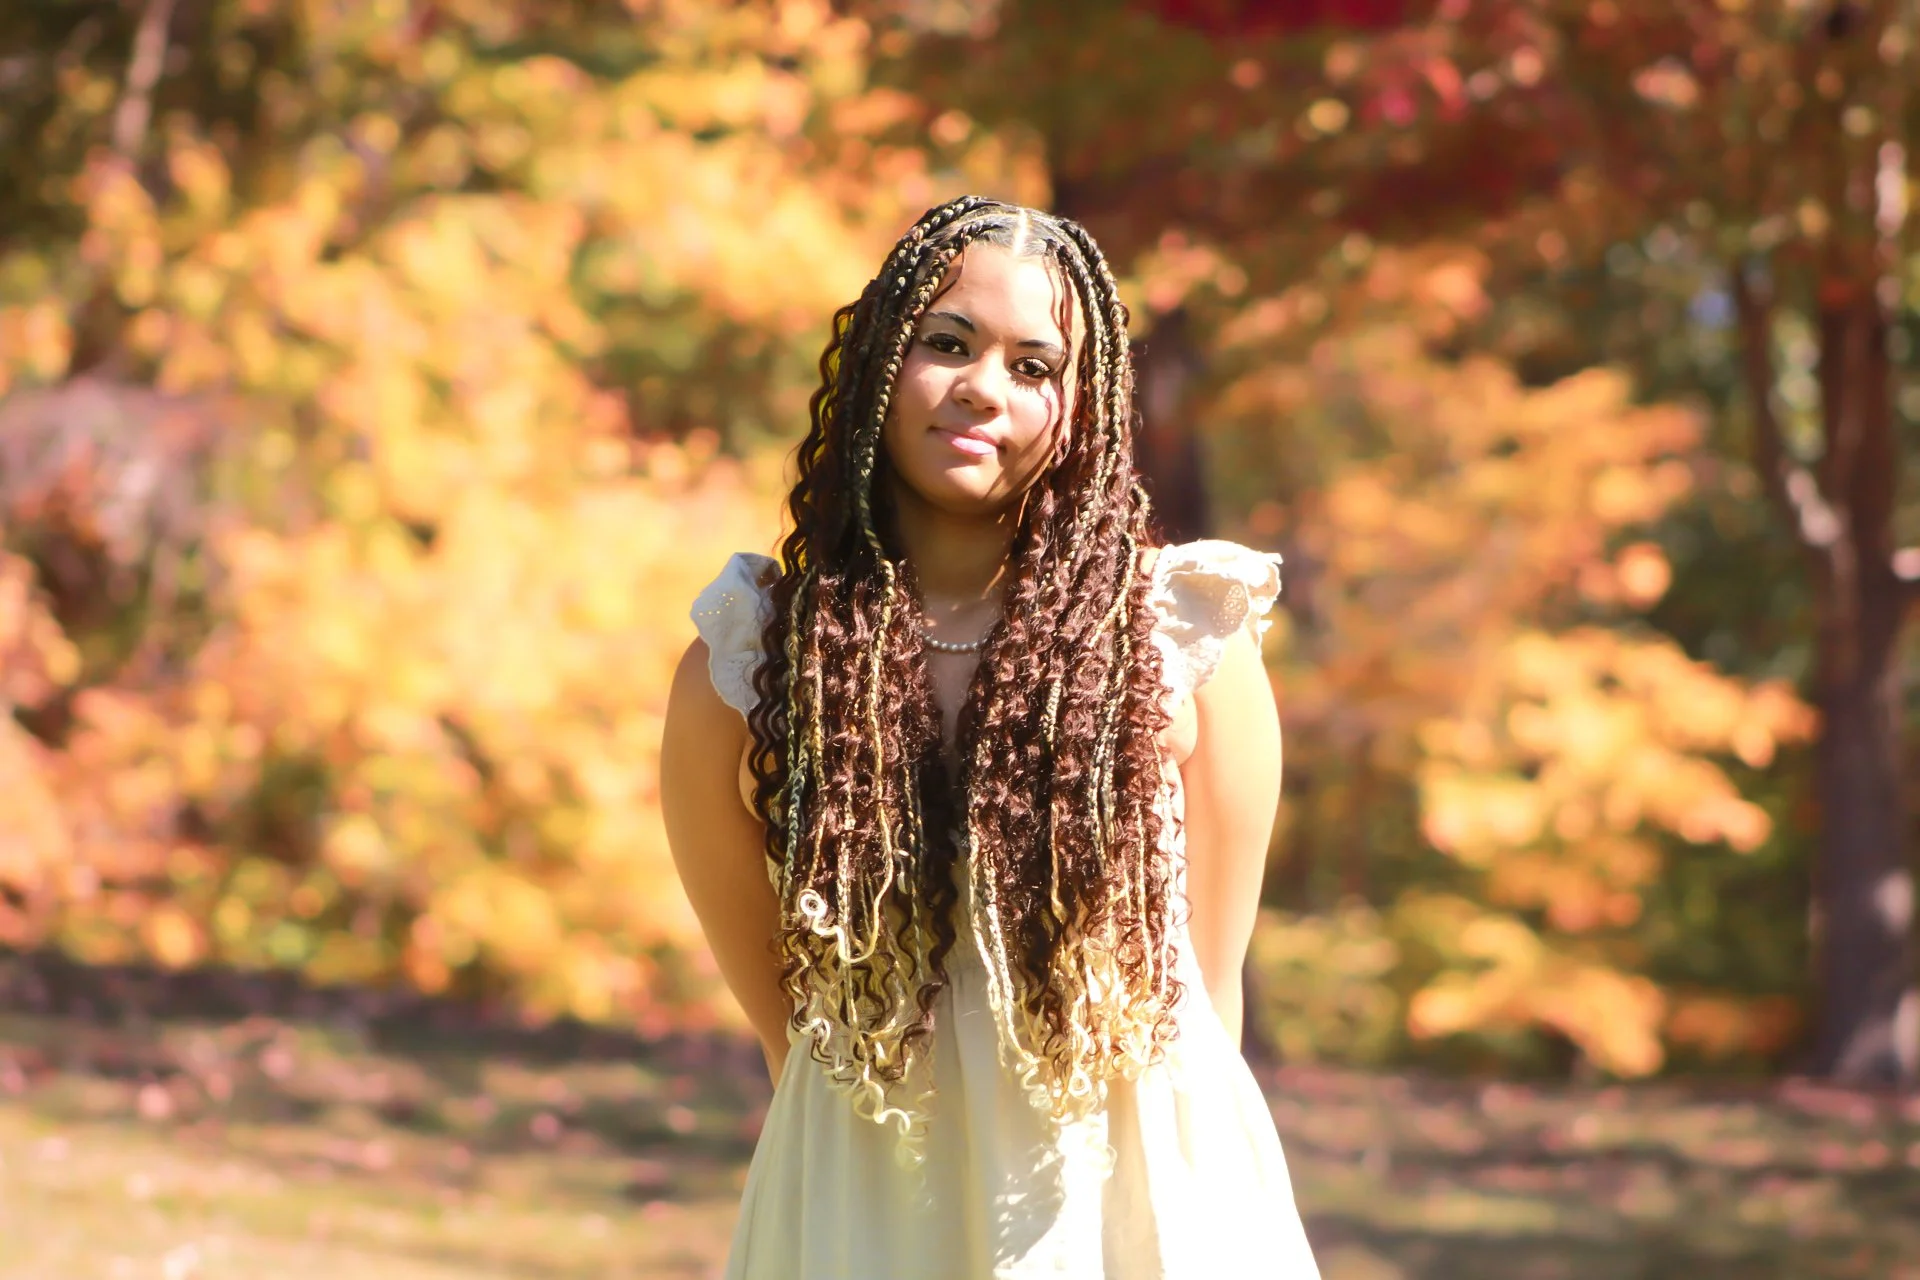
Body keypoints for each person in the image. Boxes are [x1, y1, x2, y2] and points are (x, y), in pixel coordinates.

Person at [660, 195, 1322, 1278]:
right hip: (870, 1178)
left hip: (1130, 1178)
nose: (983, 388)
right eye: (949, 343)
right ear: (882, 355)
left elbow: (1211, 983)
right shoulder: (750, 660)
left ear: (1082, 405)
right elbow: (783, 1019)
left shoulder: (1184, 633)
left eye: (1034, 365)